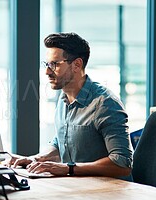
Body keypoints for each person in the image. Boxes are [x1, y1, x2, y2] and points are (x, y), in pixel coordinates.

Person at [7, 32, 133, 179]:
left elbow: (123, 164)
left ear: (77, 65)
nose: (47, 71)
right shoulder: (63, 100)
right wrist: (37, 159)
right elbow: (62, 141)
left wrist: (68, 168)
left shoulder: (105, 104)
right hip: (77, 188)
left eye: (54, 64)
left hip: (107, 192)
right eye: (47, 64)